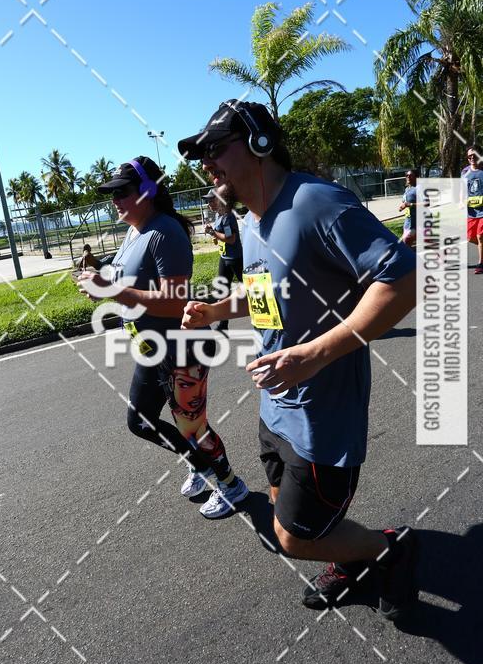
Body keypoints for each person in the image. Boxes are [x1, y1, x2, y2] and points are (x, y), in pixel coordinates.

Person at [178, 100, 418, 621]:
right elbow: (267, 294)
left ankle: (388, 549)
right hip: (274, 409)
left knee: (292, 537)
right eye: (201, 155)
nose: (206, 163)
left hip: (323, 417)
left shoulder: (315, 202)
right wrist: (218, 308)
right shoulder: (251, 223)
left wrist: (313, 354)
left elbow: (404, 278)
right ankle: (349, 558)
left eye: (215, 148)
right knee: (288, 510)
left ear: (259, 144)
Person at [77, 155, 248, 518]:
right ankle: (200, 466)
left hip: (183, 348)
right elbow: (123, 276)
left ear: (147, 191)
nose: (114, 201)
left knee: (193, 428)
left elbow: (174, 302)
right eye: (112, 194)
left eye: (122, 192)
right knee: (140, 421)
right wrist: (100, 278)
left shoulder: (165, 232)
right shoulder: (134, 231)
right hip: (153, 350)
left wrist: (111, 292)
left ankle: (231, 485)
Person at [203, 185, 244, 332]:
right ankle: (223, 324)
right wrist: (212, 233)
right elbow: (219, 238)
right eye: (208, 201)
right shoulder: (218, 216)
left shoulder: (227, 216)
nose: (209, 204)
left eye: (212, 200)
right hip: (224, 257)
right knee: (222, 290)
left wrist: (213, 233)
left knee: (250, 289)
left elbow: (231, 239)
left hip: (235, 258)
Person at [398, 169, 427, 249]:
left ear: (416, 177)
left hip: (419, 221)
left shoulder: (420, 188)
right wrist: (403, 206)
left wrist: (410, 204)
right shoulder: (407, 189)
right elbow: (406, 202)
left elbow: (427, 203)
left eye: (410, 175)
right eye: (406, 175)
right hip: (408, 222)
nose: (408, 177)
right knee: (406, 244)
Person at [464, 154, 483, 274]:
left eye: (474, 156)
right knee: (470, 237)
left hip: (482, 211)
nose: (472, 158)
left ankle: (481, 264)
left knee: (480, 236)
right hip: (471, 212)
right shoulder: (465, 174)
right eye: (469, 157)